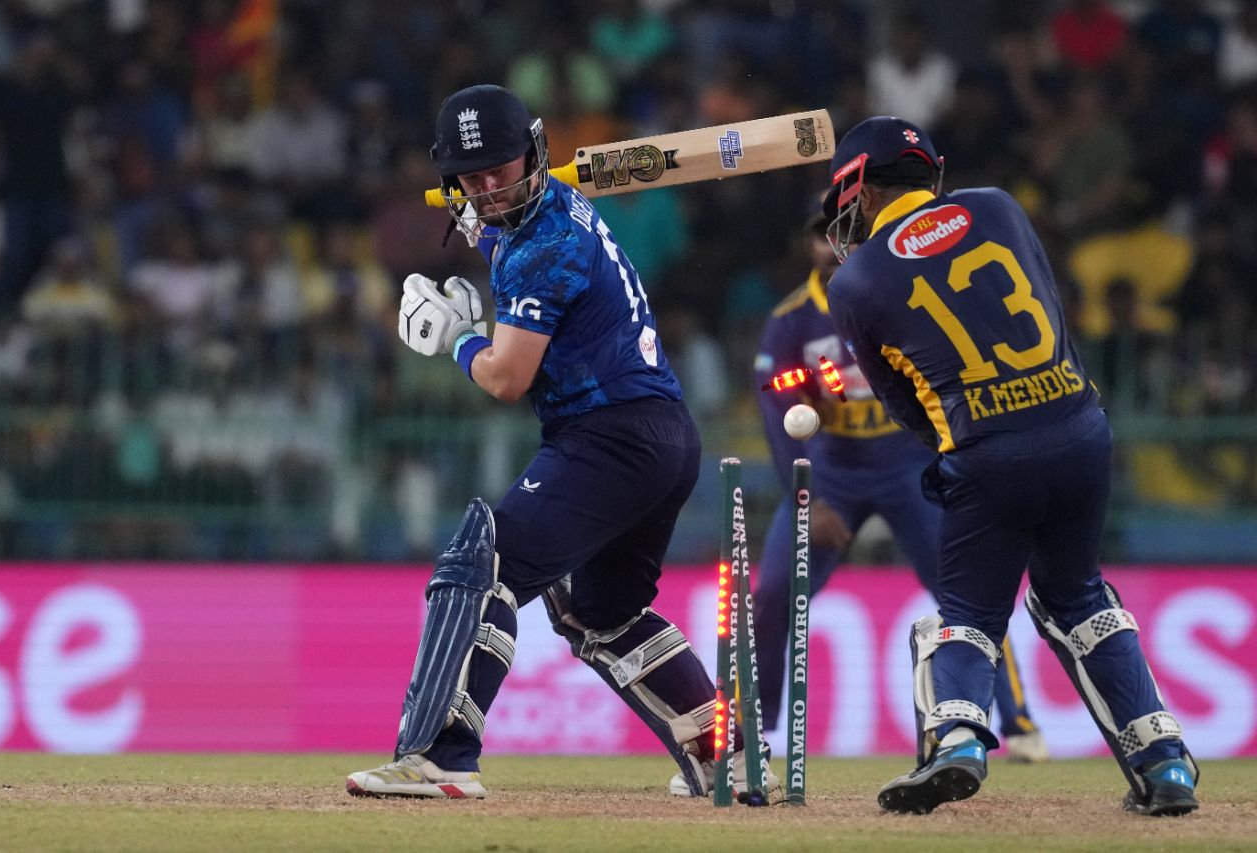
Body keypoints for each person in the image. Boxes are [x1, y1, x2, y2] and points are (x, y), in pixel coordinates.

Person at [345, 85, 744, 800]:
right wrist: (479, 226)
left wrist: (460, 339)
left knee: (480, 562)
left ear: (535, 154)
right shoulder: (537, 220)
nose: (493, 188)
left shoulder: (543, 246)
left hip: (610, 436)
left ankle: (440, 753)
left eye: (504, 168)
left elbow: (507, 377)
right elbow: (498, 231)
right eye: (474, 178)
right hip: (660, 435)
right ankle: (725, 755)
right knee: (602, 612)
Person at [820, 116, 1199, 816]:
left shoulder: (855, 282)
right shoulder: (998, 206)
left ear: (863, 193)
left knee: (963, 616)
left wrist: (962, 447)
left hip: (987, 452)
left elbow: (905, 405)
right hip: (1081, 430)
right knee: (1077, 596)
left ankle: (957, 738)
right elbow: (1051, 308)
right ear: (931, 174)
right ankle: (1165, 762)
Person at [752, 209, 1048, 763]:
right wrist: (806, 497)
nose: (830, 244)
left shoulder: (893, 296)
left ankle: (1020, 723)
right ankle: (758, 732)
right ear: (809, 244)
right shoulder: (793, 321)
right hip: (830, 473)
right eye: (820, 234)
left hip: (909, 465)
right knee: (773, 593)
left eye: (840, 232)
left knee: (969, 593)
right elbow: (776, 403)